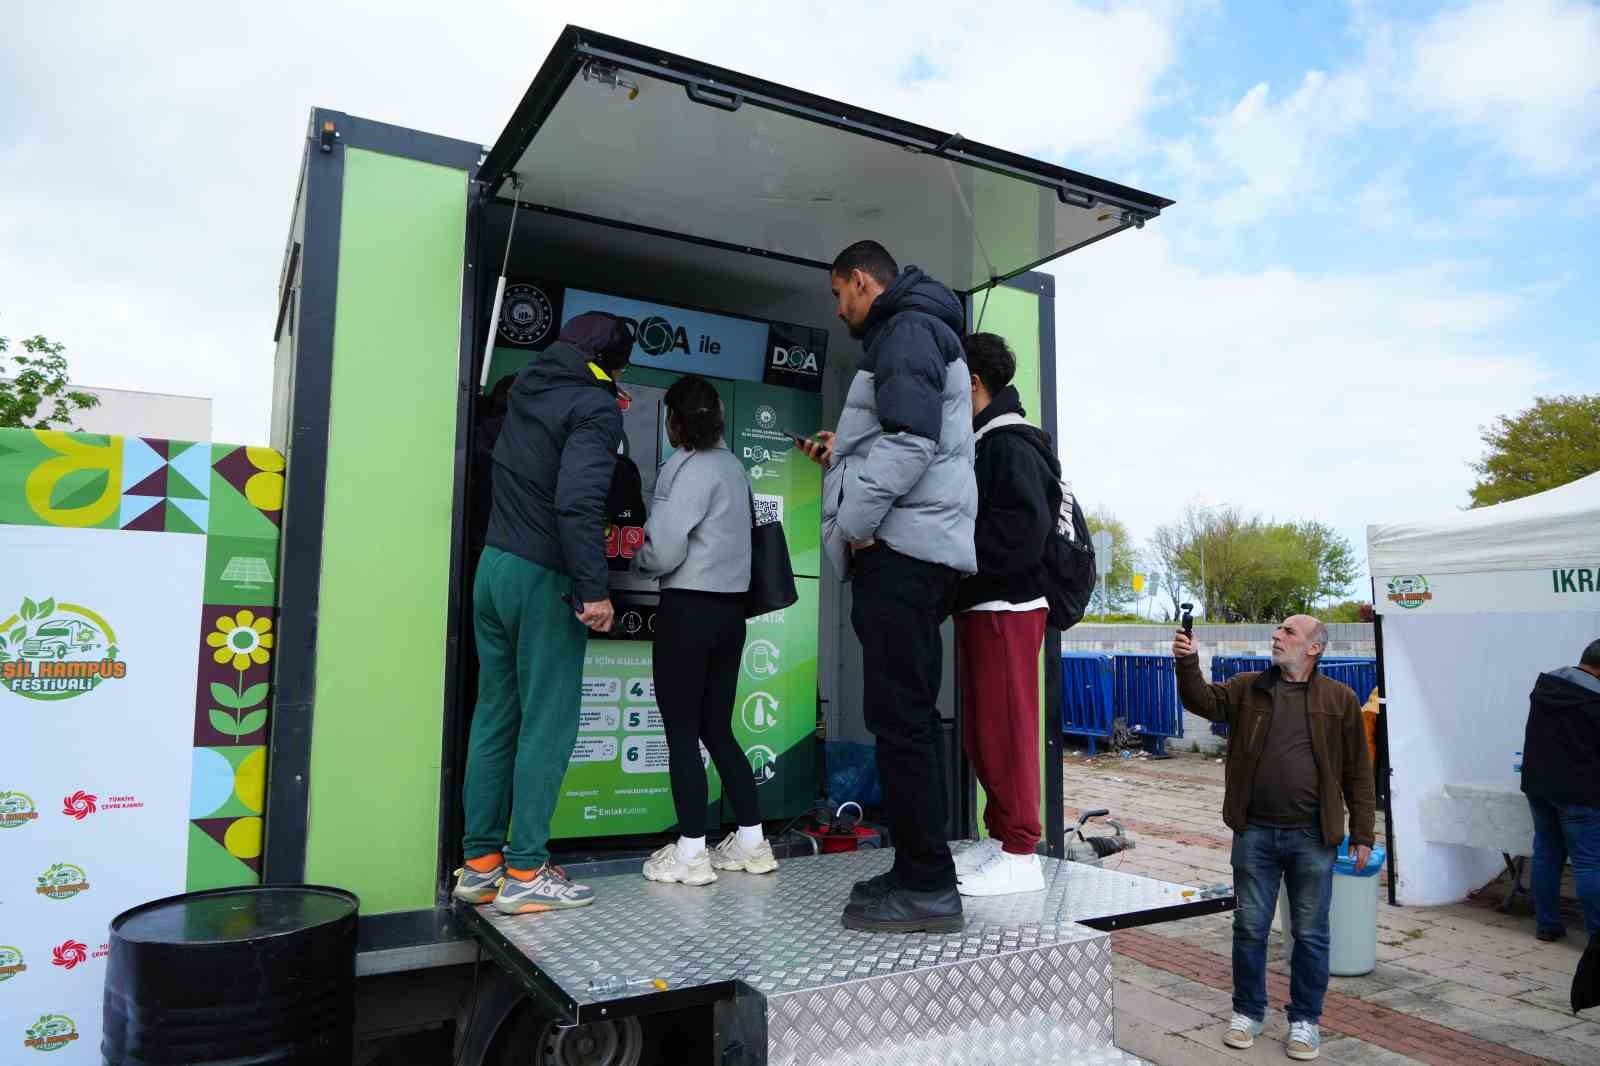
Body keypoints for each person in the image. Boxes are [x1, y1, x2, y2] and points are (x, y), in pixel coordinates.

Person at [799, 240, 977, 933]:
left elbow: (910, 442)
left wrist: (855, 520)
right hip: (912, 549)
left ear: (864, 281)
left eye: (840, 291)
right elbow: (895, 438)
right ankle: (915, 868)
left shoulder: (904, 331)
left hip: (901, 554)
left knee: (902, 722)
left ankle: (929, 882)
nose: (839, 306)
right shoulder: (915, 329)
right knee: (901, 719)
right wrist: (841, 455)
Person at [453, 312, 633, 916]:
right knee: (548, 722)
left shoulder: (527, 388)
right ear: (610, 363)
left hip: (494, 568)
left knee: (496, 715)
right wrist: (594, 589)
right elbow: (578, 501)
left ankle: (481, 866)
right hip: (542, 576)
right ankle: (527, 869)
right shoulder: (593, 407)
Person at [1173, 615, 1376, 1061]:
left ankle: (1305, 1020)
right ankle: (1247, 1012)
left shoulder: (1339, 700)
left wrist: (1363, 831)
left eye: (1289, 632)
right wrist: (1187, 664)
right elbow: (1202, 701)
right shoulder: (1249, 688)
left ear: (1314, 648)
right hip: (1256, 833)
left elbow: (1358, 772)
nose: (1277, 636)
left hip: (1313, 837)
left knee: (1310, 933)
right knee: (1249, 927)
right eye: (1278, 630)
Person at [632, 375, 777, 886]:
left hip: (687, 612)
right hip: (730, 616)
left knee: (680, 732)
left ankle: (692, 850)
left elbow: (666, 547)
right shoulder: (734, 467)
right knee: (717, 728)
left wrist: (639, 558)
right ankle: (753, 842)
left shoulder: (682, 469)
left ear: (674, 423)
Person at [948, 333, 1057, 897]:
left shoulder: (1009, 442)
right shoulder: (987, 439)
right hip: (985, 604)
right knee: (985, 731)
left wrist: (957, 556)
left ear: (972, 382)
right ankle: (999, 839)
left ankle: (1021, 850)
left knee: (1010, 730)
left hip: (1006, 604)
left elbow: (1020, 534)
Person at [1519, 638, 1600, 943]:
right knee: (1590, 863)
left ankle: (1547, 925)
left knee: (1546, 855)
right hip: (1580, 794)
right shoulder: (1594, 701)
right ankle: (1596, 938)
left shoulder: (1546, 687)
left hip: (1539, 786)